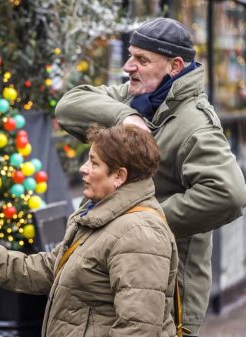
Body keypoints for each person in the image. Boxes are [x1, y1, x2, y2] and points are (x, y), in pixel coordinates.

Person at [54, 17, 246, 336]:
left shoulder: (194, 124)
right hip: (125, 278)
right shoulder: (138, 97)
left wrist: (139, 224)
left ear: (175, 66)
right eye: (130, 55)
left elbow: (229, 194)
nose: (129, 66)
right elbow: (68, 105)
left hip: (170, 296)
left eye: (142, 59)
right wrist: (125, 116)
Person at [0, 124, 178, 337]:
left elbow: (138, 328)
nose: (83, 169)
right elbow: (50, 268)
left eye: (94, 163)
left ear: (119, 176)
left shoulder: (139, 234)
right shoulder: (102, 215)